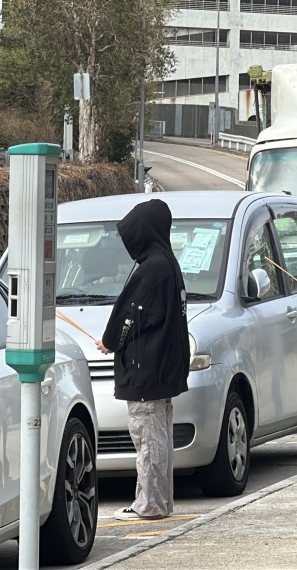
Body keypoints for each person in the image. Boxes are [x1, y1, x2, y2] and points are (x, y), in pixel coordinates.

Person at [96, 199, 190, 521]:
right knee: (158, 438)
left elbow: (131, 316)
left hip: (145, 369)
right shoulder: (168, 263)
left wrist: (110, 342)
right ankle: (160, 502)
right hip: (163, 368)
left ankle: (148, 504)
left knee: (147, 439)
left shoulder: (152, 269)